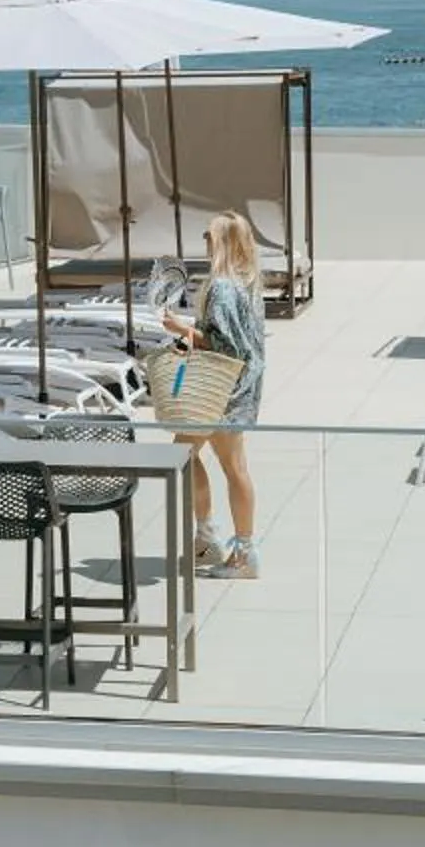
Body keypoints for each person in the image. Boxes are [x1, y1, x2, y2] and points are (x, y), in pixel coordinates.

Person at [164, 209, 267, 580]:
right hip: (241, 387)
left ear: (221, 241)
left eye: (208, 236)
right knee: (233, 467)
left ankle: (213, 539)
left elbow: (225, 345)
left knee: (182, 454)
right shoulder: (246, 282)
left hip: (219, 391)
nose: (204, 242)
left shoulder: (222, 287)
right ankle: (237, 548)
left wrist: (182, 329)